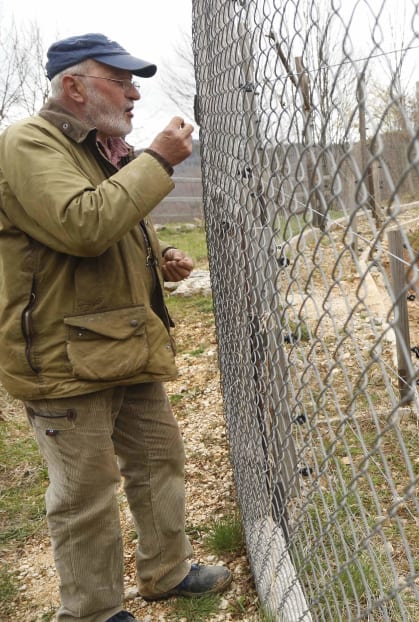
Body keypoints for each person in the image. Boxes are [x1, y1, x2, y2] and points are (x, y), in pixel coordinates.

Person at [0, 34, 231, 622]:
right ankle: (95, 610)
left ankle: (167, 571)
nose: (134, 92)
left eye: (135, 82)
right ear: (74, 87)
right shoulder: (28, 142)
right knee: (85, 492)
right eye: (120, 80)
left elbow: (111, 227)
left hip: (124, 339)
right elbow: (82, 225)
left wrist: (162, 254)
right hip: (61, 353)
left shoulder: (101, 148)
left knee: (159, 460)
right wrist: (156, 160)